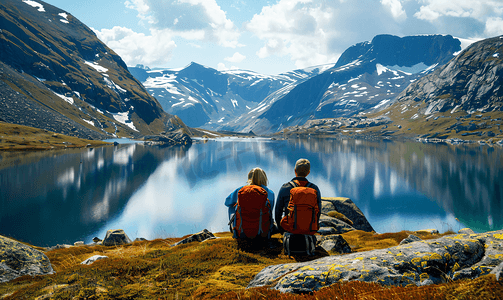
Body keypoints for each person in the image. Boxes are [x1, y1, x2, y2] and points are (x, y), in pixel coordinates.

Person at [275, 159, 321, 256]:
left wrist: (281, 230)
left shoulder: (285, 187)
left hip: (290, 229)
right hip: (308, 229)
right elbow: (318, 211)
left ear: (295, 170)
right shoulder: (314, 189)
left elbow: (277, 212)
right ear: (308, 173)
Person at [225, 168, 275, 238]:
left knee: (232, 206)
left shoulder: (241, 190)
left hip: (242, 232)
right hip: (262, 232)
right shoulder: (269, 193)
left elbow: (227, 202)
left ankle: (236, 228)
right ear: (264, 178)